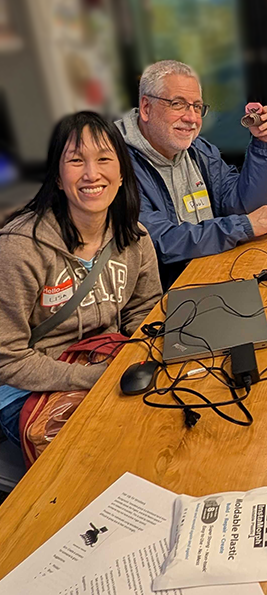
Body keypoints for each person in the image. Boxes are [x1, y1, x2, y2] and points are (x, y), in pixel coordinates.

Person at [0, 111, 162, 448]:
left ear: (121, 173)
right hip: (27, 388)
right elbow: (8, 357)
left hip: (103, 362)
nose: (92, 174)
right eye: (76, 160)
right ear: (58, 178)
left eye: (104, 159)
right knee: (105, 448)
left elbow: (143, 310)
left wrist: (157, 347)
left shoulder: (134, 237)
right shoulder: (19, 249)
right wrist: (92, 378)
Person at [115, 60, 267, 288]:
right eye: (178, 104)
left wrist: (264, 145)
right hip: (167, 296)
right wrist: (241, 226)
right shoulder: (115, 163)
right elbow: (159, 243)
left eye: (196, 107)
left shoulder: (198, 150)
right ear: (146, 108)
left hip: (216, 271)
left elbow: (241, 206)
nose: (192, 118)